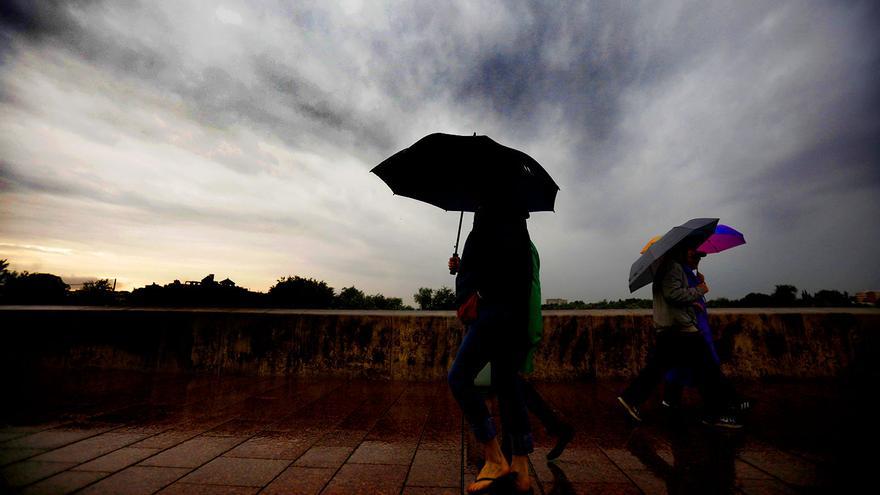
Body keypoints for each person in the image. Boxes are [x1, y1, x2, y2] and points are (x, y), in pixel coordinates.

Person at [447, 202, 535, 494]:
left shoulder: (490, 217)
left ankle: (494, 456)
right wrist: (463, 268)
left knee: (459, 377)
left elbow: (492, 269)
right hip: (514, 317)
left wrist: (473, 284)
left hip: (493, 314)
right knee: (507, 383)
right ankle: (520, 466)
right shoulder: (516, 223)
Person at [617, 237, 743, 429]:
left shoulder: (666, 268)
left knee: (657, 369)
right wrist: (699, 290)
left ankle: (631, 398)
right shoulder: (673, 267)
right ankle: (718, 413)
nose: (699, 257)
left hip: (671, 329)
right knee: (708, 371)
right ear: (682, 250)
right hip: (681, 330)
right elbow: (673, 295)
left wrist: (692, 294)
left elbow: (673, 295)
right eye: (695, 253)